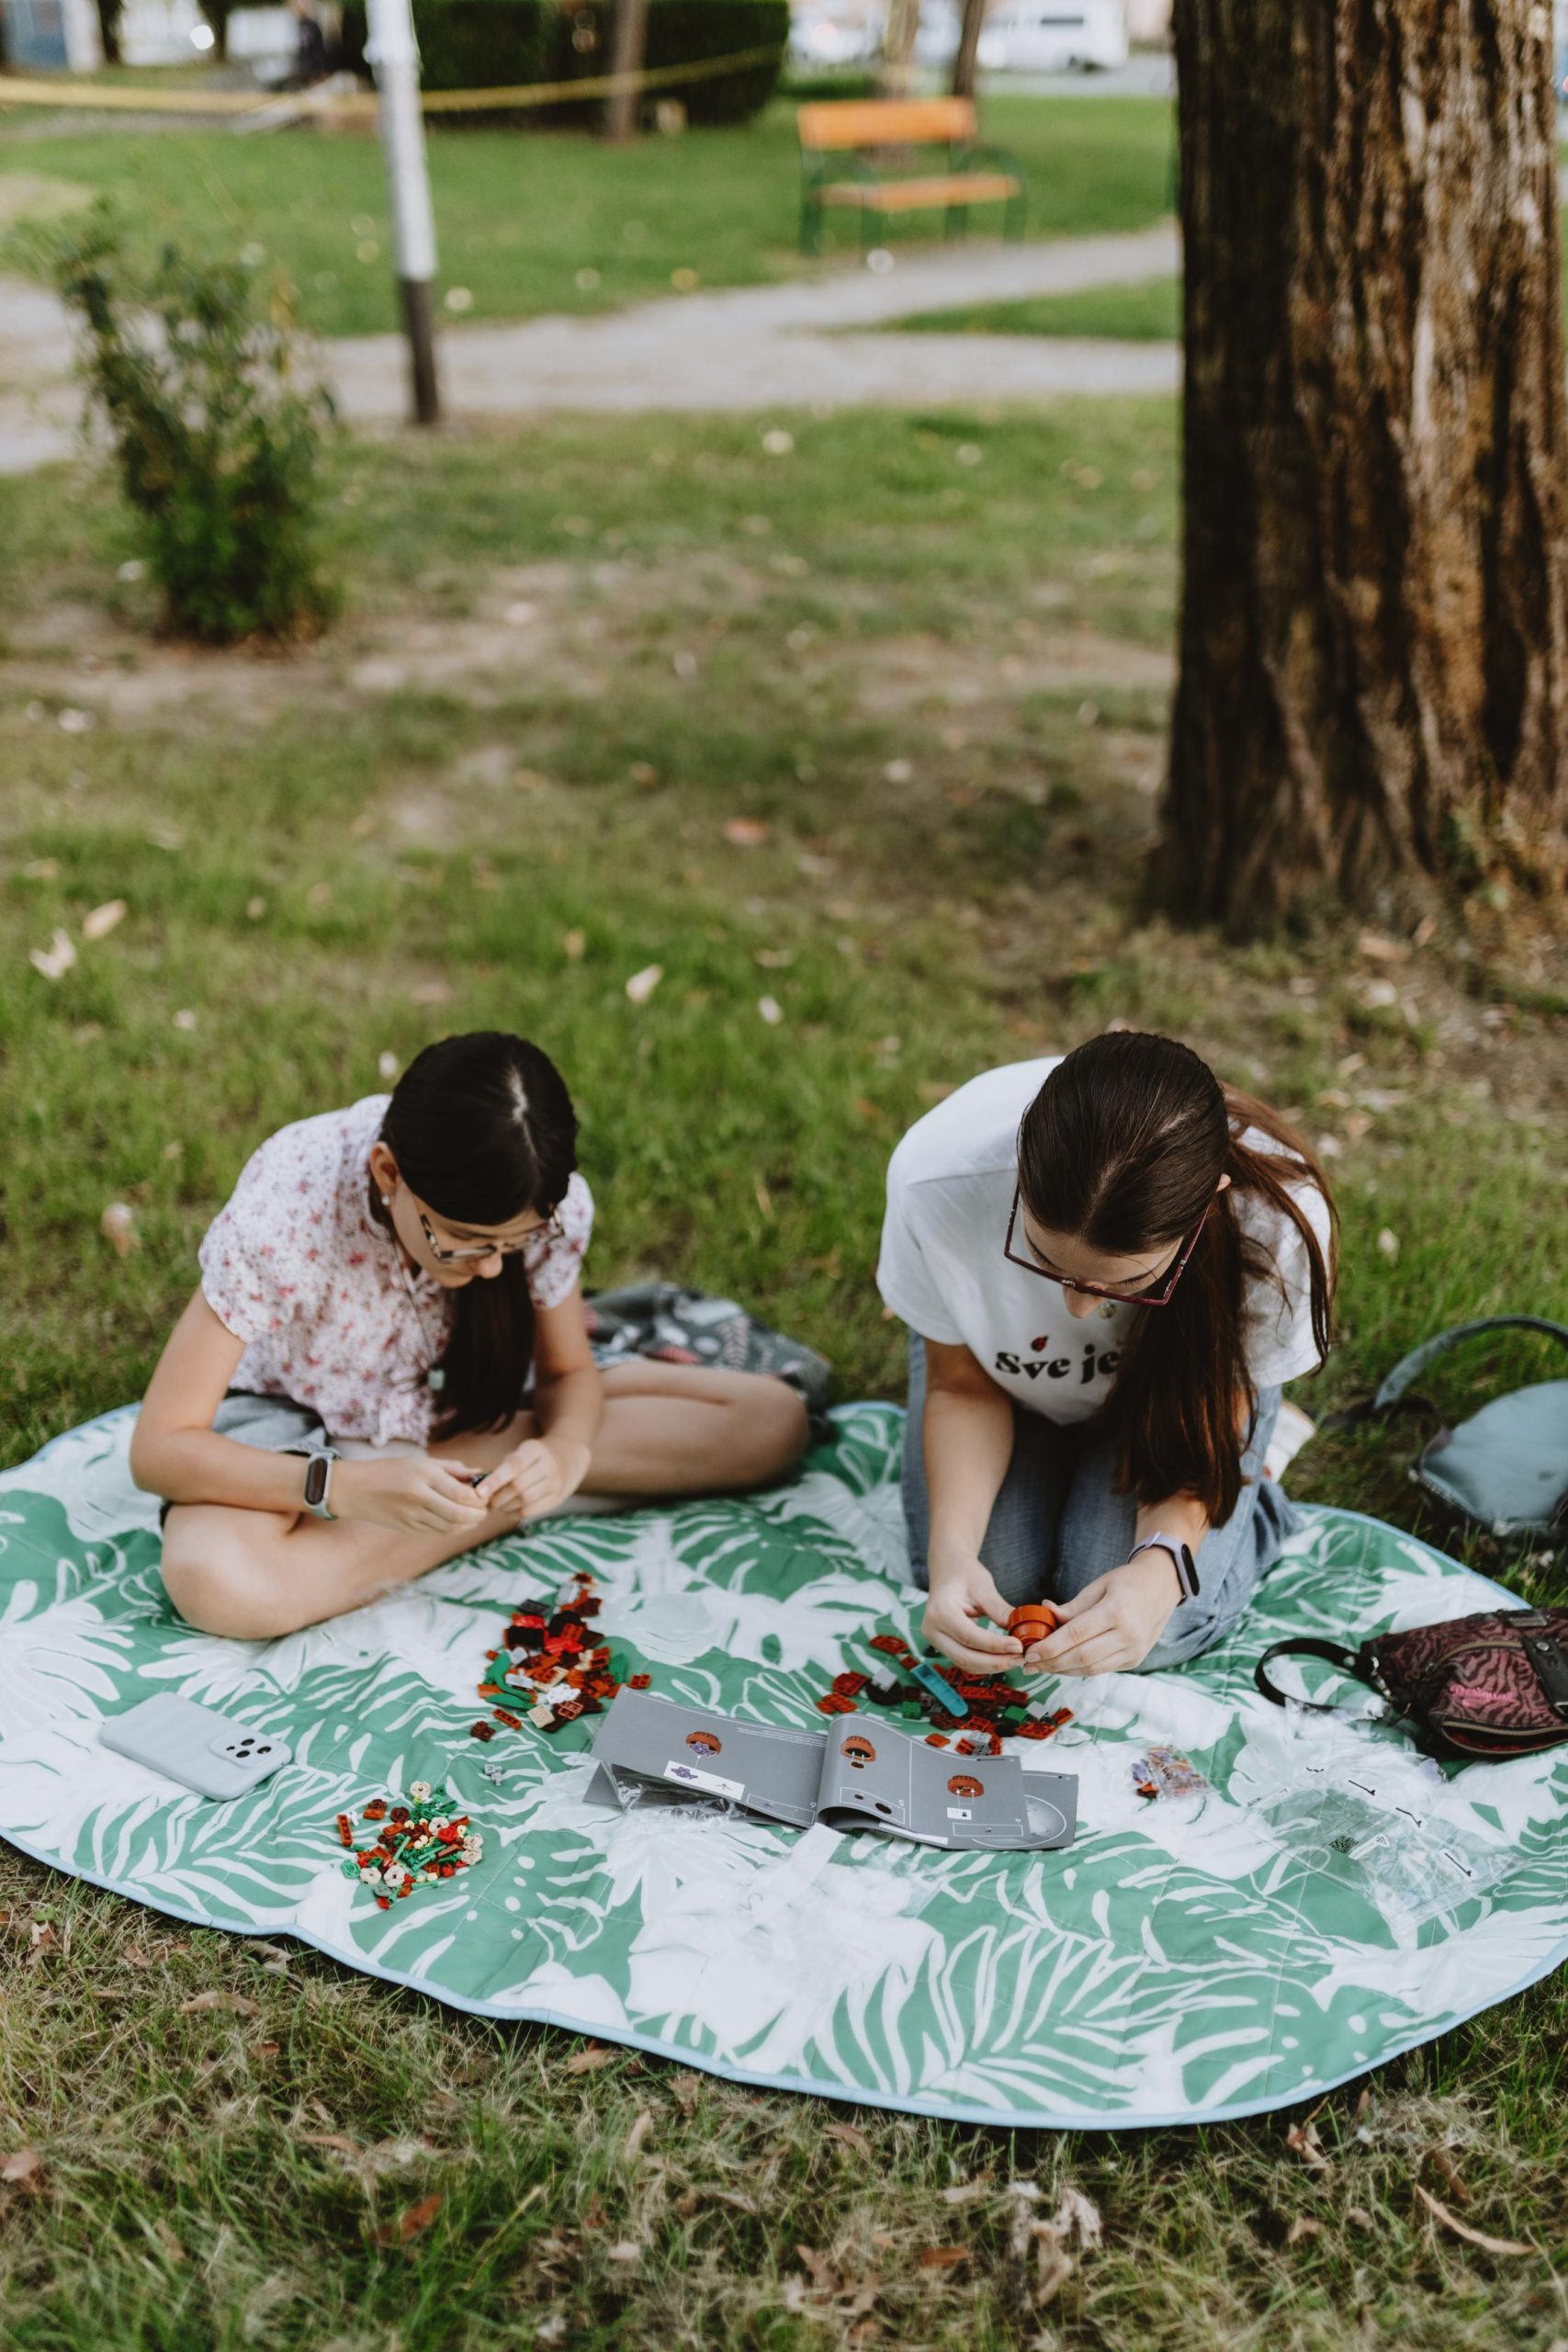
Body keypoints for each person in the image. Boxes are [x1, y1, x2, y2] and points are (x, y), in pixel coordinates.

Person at [132, 1033, 807, 1638]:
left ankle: (459, 1495)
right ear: (387, 1173)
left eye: (511, 1246)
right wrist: (344, 1488)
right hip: (296, 1419)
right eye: (462, 1242)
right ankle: (481, 1496)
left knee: (770, 1420)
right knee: (216, 1581)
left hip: (460, 1388)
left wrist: (566, 1450)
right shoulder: (284, 1211)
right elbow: (159, 1449)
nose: (489, 1266)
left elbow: (567, 1374)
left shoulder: (540, 1200)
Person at [877, 1029, 1336, 1680]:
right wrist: (951, 1558)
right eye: (1041, 1260)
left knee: (1153, 1627)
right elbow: (962, 1387)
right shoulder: (938, 1180)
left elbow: (1197, 1418)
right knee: (982, 1590)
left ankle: (1254, 1490)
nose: (1077, 1312)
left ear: (1205, 1207)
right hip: (996, 1387)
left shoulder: (1277, 1226)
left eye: (1123, 1284)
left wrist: (1160, 1569)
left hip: (1168, 1409)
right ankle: (1070, 1474)